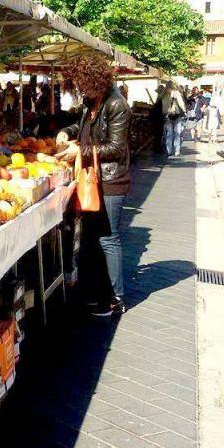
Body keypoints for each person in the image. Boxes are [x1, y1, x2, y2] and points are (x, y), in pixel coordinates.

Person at [55, 55, 131, 317]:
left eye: (82, 84)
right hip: (92, 178)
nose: (80, 90)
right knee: (91, 237)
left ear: (94, 80)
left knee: (109, 238)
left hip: (110, 180)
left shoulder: (117, 104)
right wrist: (68, 131)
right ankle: (95, 291)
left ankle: (115, 298)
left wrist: (79, 151)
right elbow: (83, 126)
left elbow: (116, 147)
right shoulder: (92, 102)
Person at [161, 81, 186, 157]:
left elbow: (163, 107)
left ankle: (168, 151)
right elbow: (181, 104)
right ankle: (177, 151)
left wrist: (165, 113)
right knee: (177, 134)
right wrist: (184, 111)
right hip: (177, 116)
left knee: (169, 134)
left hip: (167, 116)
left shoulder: (164, 94)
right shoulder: (177, 93)